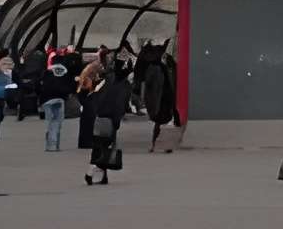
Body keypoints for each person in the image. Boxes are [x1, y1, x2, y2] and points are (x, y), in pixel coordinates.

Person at [84, 51, 132, 186]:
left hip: (99, 117)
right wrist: (117, 121)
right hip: (110, 119)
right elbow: (119, 105)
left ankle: (102, 176)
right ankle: (90, 173)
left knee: (99, 146)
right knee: (104, 147)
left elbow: (96, 95)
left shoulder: (108, 79)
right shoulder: (124, 85)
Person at [140, 40, 182, 149]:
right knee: (163, 122)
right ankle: (164, 144)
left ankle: (156, 144)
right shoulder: (162, 67)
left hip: (161, 97)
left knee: (159, 122)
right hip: (164, 97)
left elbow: (149, 85)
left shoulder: (156, 67)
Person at [42, 50, 73, 152]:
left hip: (47, 99)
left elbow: (40, 85)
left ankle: (49, 143)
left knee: (51, 122)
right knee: (57, 122)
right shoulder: (65, 71)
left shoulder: (47, 71)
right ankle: (54, 145)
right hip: (60, 99)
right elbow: (70, 85)